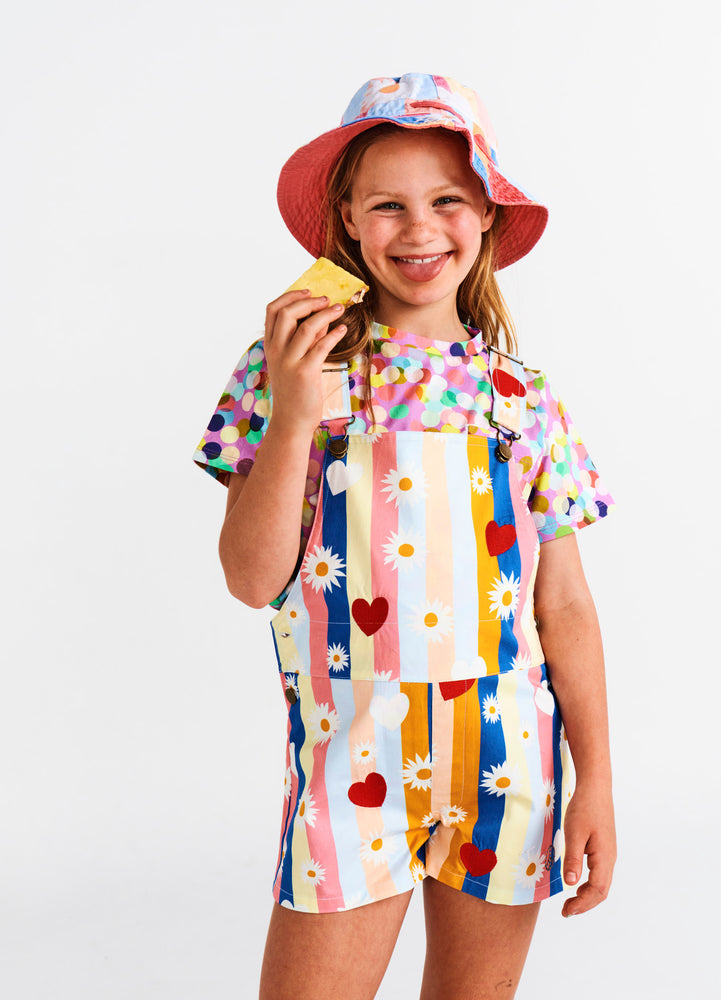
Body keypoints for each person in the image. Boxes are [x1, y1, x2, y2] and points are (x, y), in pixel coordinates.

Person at [194, 73, 616, 1000]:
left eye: (447, 201)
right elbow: (248, 576)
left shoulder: (522, 396)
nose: (419, 228)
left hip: (509, 764)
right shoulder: (287, 368)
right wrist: (298, 411)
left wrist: (598, 783)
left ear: (486, 218)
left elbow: (566, 604)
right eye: (388, 204)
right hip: (352, 770)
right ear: (346, 221)